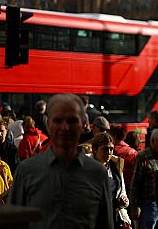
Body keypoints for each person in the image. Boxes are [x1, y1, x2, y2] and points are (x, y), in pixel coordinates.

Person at [9, 93, 114, 229]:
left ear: (83, 125)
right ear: (48, 124)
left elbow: (105, 223)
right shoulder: (26, 171)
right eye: (58, 120)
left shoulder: (98, 173)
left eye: (72, 121)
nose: (65, 127)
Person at [129, 128, 158, 229]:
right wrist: (134, 206)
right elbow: (135, 184)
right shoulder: (143, 157)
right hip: (148, 203)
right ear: (153, 142)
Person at [91, 132, 131, 229]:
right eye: (105, 149)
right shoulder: (87, 168)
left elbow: (122, 192)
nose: (109, 152)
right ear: (95, 150)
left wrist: (124, 202)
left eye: (111, 149)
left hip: (114, 217)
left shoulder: (115, 166)